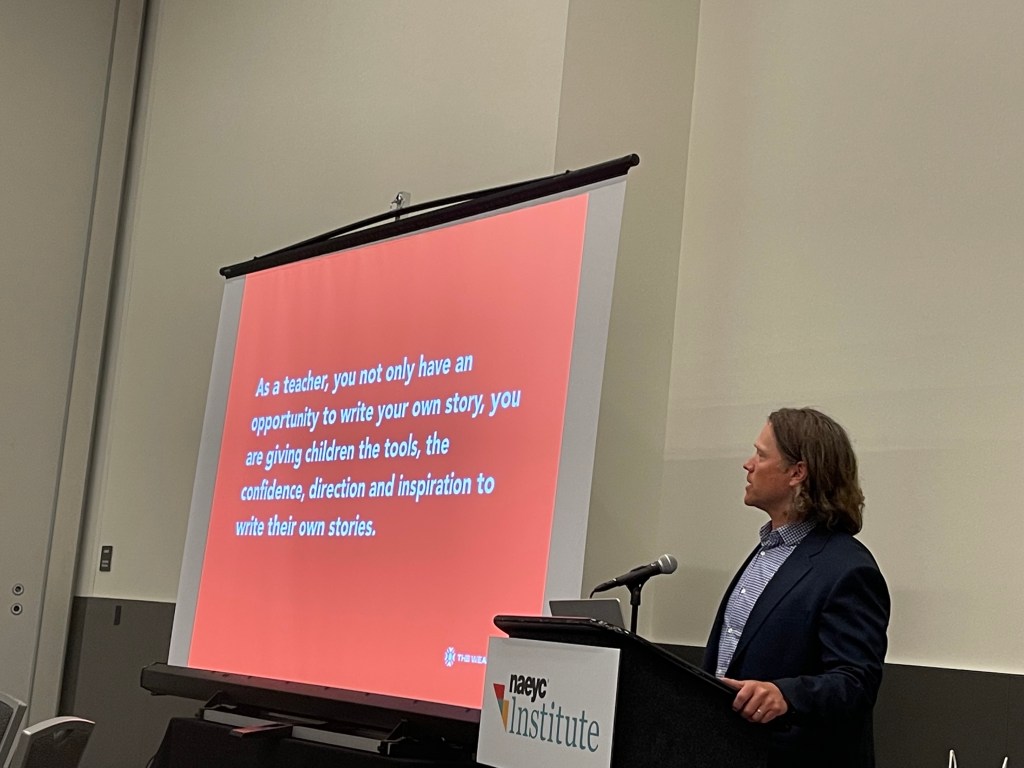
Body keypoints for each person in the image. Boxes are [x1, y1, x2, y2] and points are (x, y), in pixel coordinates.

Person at [702, 407, 890, 768]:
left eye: (760, 455)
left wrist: (785, 695)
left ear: (797, 472)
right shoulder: (766, 551)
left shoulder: (848, 568)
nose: (748, 465)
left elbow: (856, 682)